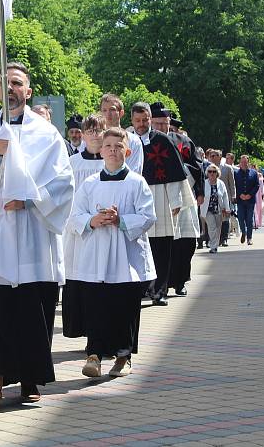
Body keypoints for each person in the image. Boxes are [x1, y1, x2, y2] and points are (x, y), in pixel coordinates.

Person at [0, 62, 74, 403]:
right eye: (6, 82)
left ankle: (29, 380)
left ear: (28, 90)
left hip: (32, 235)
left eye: (17, 83)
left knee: (30, 310)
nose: (11, 88)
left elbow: (64, 183)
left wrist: (30, 200)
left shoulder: (47, 134)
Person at [66, 127, 156, 378]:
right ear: (101, 150)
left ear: (127, 151)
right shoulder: (90, 183)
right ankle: (94, 355)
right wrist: (93, 220)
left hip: (125, 257)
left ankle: (123, 356)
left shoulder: (137, 183)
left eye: (118, 146)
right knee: (95, 306)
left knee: (124, 307)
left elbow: (148, 216)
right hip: (96, 255)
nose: (113, 151)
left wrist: (121, 221)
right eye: (108, 146)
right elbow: (75, 215)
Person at [138, 102, 192, 306]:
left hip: (161, 195)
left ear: (149, 119)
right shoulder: (128, 139)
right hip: (137, 196)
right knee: (142, 248)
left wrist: (176, 201)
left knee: (162, 247)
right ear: (132, 120)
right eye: (137, 120)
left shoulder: (162, 140)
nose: (142, 124)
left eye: (145, 120)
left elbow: (175, 172)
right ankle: (144, 288)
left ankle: (160, 290)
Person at [62, 113, 107, 341]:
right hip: (79, 232)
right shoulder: (73, 164)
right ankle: (86, 329)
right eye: (89, 131)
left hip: (107, 231)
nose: (94, 136)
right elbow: (67, 200)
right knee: (82, 282)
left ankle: (101, 335)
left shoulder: (111, 164)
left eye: (98, 130)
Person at [152, 106, 202, 297]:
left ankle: (180, 280)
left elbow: (197, 167)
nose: (162, 127)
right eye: (157, 124)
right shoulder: (146, 143)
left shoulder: (183, 141)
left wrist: (199, 190)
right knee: (161, 244)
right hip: (158, 198)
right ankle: (157, 285)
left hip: (183, 195)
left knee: (186, 242)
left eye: (165, 124)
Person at [99, 94, 143, 173]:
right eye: (104, 110)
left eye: (112, 110)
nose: (108, 114)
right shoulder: (95, 139)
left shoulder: (133, 141)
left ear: (121, 113)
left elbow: (135, 170)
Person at [202, 164, 230, 253]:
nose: (212, 173)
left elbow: (225, 196)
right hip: (207, 209)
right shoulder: (204, 183)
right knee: (212, 227)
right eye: (210, 171)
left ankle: (214, 244)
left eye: (214, 172)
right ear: (207, 173)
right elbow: (199, 195)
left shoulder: (221, 183)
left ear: (217, 173)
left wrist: (227, 208)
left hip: (219, 209)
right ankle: (213, 247)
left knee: (218, 228)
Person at [234, 155, 259, 245]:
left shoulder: (254, 173)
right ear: (240, 163)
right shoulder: (236, 173)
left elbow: (257, 185)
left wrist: (250, 195)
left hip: (250, 200)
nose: (244, 164)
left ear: (248, 162)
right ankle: (243, 233)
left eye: (245, 162)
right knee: (240, 218)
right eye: (242, 162)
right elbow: (235, 186)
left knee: (249, 219)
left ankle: (249, 238)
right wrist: (239, 194)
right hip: (240, 200)